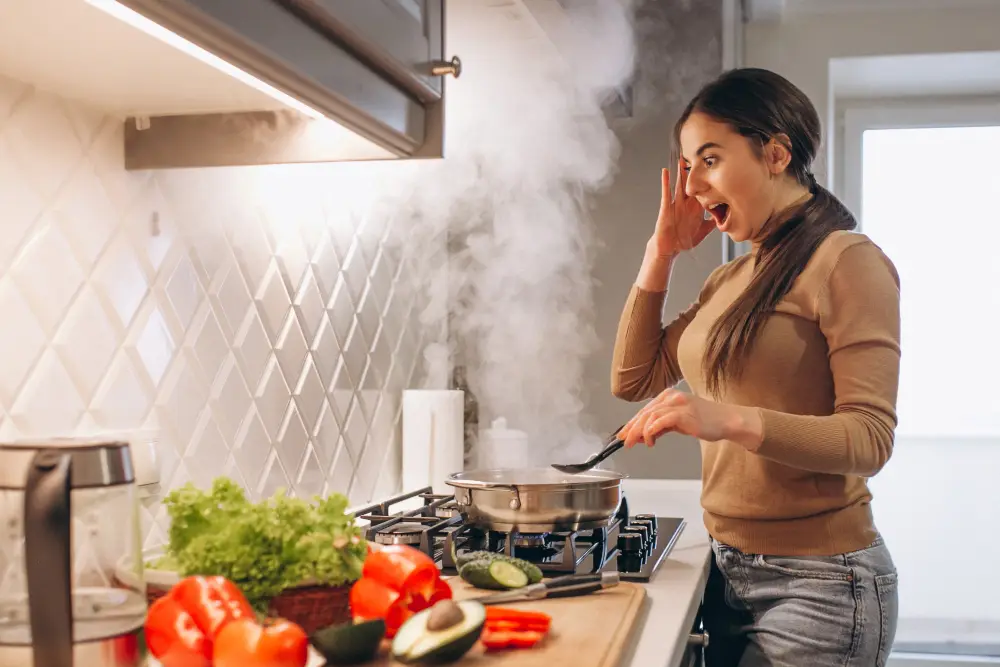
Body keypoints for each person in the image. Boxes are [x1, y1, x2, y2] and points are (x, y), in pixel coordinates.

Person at [610, 67, 901, 667]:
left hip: (819, 586)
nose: (692, 187)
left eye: (709, 160)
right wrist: (658, 254)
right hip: (726, 568)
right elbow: (632, 379)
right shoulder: (731, 277)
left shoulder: (848, 261)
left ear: (774, 152)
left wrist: (727, 419)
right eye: (687, 166)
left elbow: (870, 439)